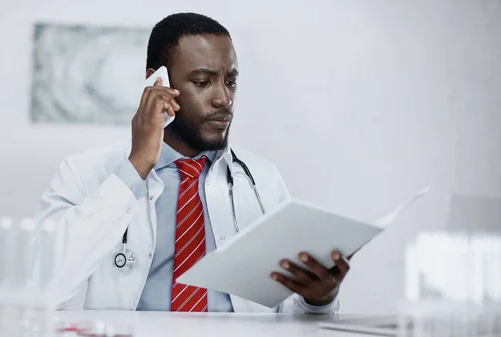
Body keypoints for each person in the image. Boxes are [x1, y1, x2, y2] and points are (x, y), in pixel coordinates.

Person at [33, 12, 350, 314]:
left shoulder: (262, 179)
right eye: (203, 81)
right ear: (157, 84)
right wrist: (137, 165)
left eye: (231, 82)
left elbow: (284, 315)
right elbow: (43, 290)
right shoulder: (86, 173)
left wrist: (319, 300)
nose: (224, 99)